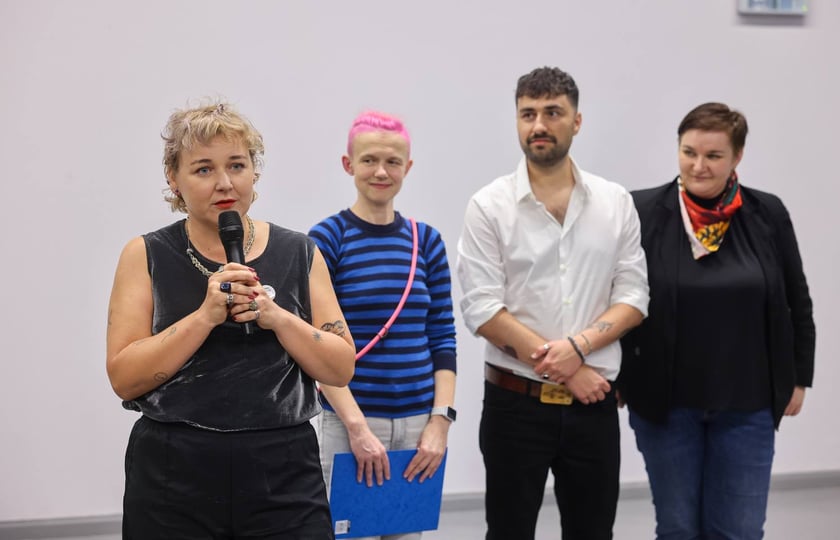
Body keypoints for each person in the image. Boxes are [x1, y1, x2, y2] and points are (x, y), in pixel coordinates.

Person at [106, 102, 356, 539]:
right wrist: (204, 317)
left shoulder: (299, 251)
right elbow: (124, 379)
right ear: (173, 178)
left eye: (237, 165)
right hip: (174, 473)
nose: (224, 183)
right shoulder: (145, 254)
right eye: (203, 169)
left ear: (254, 172)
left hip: (283, 472)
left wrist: (278, 317)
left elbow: (340, 367)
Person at [456, 66, 650, 540]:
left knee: (593, 533)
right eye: (528, 114)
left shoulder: (615, 202)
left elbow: (634, 296)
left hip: (593, 407)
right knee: (508, 532)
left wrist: (578, 349)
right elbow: (482, 309)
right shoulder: (488, 206)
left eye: (553, 112)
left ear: (577, 121)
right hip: (514, 405)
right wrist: (568, 370)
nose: (539, 124)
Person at [618, 102, 816, 540]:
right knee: (678, 528)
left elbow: (796, 301)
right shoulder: (641, 210)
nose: (698, 166)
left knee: (738, 531)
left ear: (737, 157)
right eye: (689, 152)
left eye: (713, 156)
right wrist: (618, 374)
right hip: (666, 406)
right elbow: (617, 298)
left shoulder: (767, 213)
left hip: (748, 404)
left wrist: (800, 376)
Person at [309, 111, 457, 540]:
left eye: (392, 162)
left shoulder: (426, 241)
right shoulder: (327, 239)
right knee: (347, 534)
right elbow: (315, 345)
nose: (381, 172)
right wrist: (357, 428)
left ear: (407, 167)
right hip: (349, 423)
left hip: (418, 429)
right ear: (348, 164)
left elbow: (443, 338)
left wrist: (440, 422)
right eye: (369, 160)